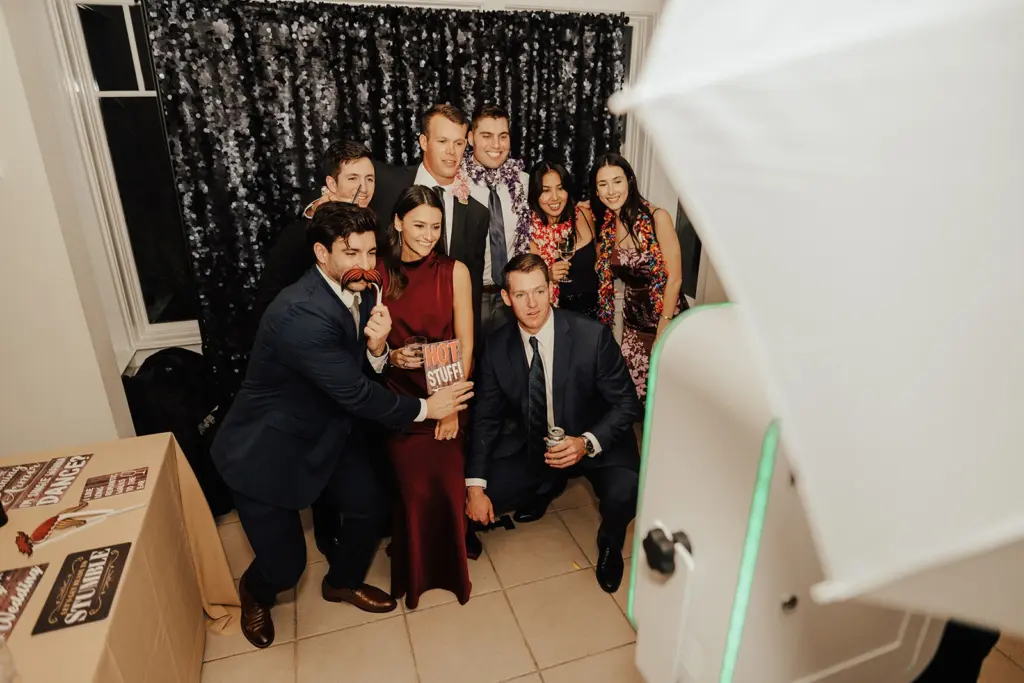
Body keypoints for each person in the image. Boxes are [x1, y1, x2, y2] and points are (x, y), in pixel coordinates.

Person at [211, 203, 473, 648]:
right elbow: (355, 392)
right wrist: (428, 408)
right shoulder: (300, 313)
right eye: (351, 253)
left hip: (328, 431)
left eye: (371, 254)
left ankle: (342, 581)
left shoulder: (365, 290)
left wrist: (376, 347)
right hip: (265, 451)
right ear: (321, 253)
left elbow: (359, 370)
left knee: (370, 505)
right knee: (285, 566)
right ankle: (254, 592)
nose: (366, 266)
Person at [466, 254, 642, 592]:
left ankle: (610, 542)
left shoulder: (592, 337)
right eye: (520, 295)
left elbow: (626, 404)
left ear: (552, 290)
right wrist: (475, 488)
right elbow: (485, 418)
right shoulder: (496, 347)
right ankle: (549, 484)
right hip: (535, 441)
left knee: (626, 491)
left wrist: (585, 442)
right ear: (506, 298)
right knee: (481, 502)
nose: (532, 304)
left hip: (594, 436)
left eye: (539, 292)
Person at [244, 140, 379, 561]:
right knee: (317, 460)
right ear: (329, 184)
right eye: (352, 179)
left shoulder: (364, 227)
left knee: (351, 461)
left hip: (350, 366)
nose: (363, 187)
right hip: (308, 371)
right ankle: (327, 538)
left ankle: (348, 544)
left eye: (369, 179)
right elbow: (271, 305)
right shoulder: (303, 234)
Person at [376, 186, 475, 609]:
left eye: (436, 227)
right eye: (419, 225)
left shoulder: (456, 271)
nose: (428, 235)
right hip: (401, 401)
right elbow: (369, 347)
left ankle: (450, 571)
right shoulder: (378, 272)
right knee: (412, 489)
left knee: (448, 485)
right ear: (398, 222)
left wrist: (450, 408)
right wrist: (390, 355)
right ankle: (413, 571)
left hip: (448, 392)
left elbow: (466, 345)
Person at [370, 104, 490, 345]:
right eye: (443, 141)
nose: (451, 152)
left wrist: (471, 352)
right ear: (424, 142)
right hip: (387, 337)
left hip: (443, 350)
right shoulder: (387, 183)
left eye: (458, 143)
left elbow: (471, 291)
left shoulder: (477, 212)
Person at [591, 152, 685, 406]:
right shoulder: (608, 225)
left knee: (666, 399)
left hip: (666, 317)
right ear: (596, 192)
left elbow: (675, 278)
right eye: (603, 184)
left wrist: (663, 329)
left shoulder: (657, 218)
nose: (611, 191)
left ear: (630, 181)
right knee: (632, 398)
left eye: (617, 181)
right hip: (634, 325)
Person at [461, 103, 532, 337]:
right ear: (471, 138)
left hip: (512, 295)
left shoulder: (523, 182)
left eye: (503, 136)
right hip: (469, 295)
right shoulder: (456, 182)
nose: (496, 145)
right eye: (487, 136)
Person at [527, 161, 600, 319]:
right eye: (545, 190)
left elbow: (598, 256)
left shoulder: (582, 214)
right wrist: (549, 276)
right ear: (535, 193)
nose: (555, 197)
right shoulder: (528, 230)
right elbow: (527, 283)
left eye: (560, 188)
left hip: (594, 314)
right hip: (557, 318)